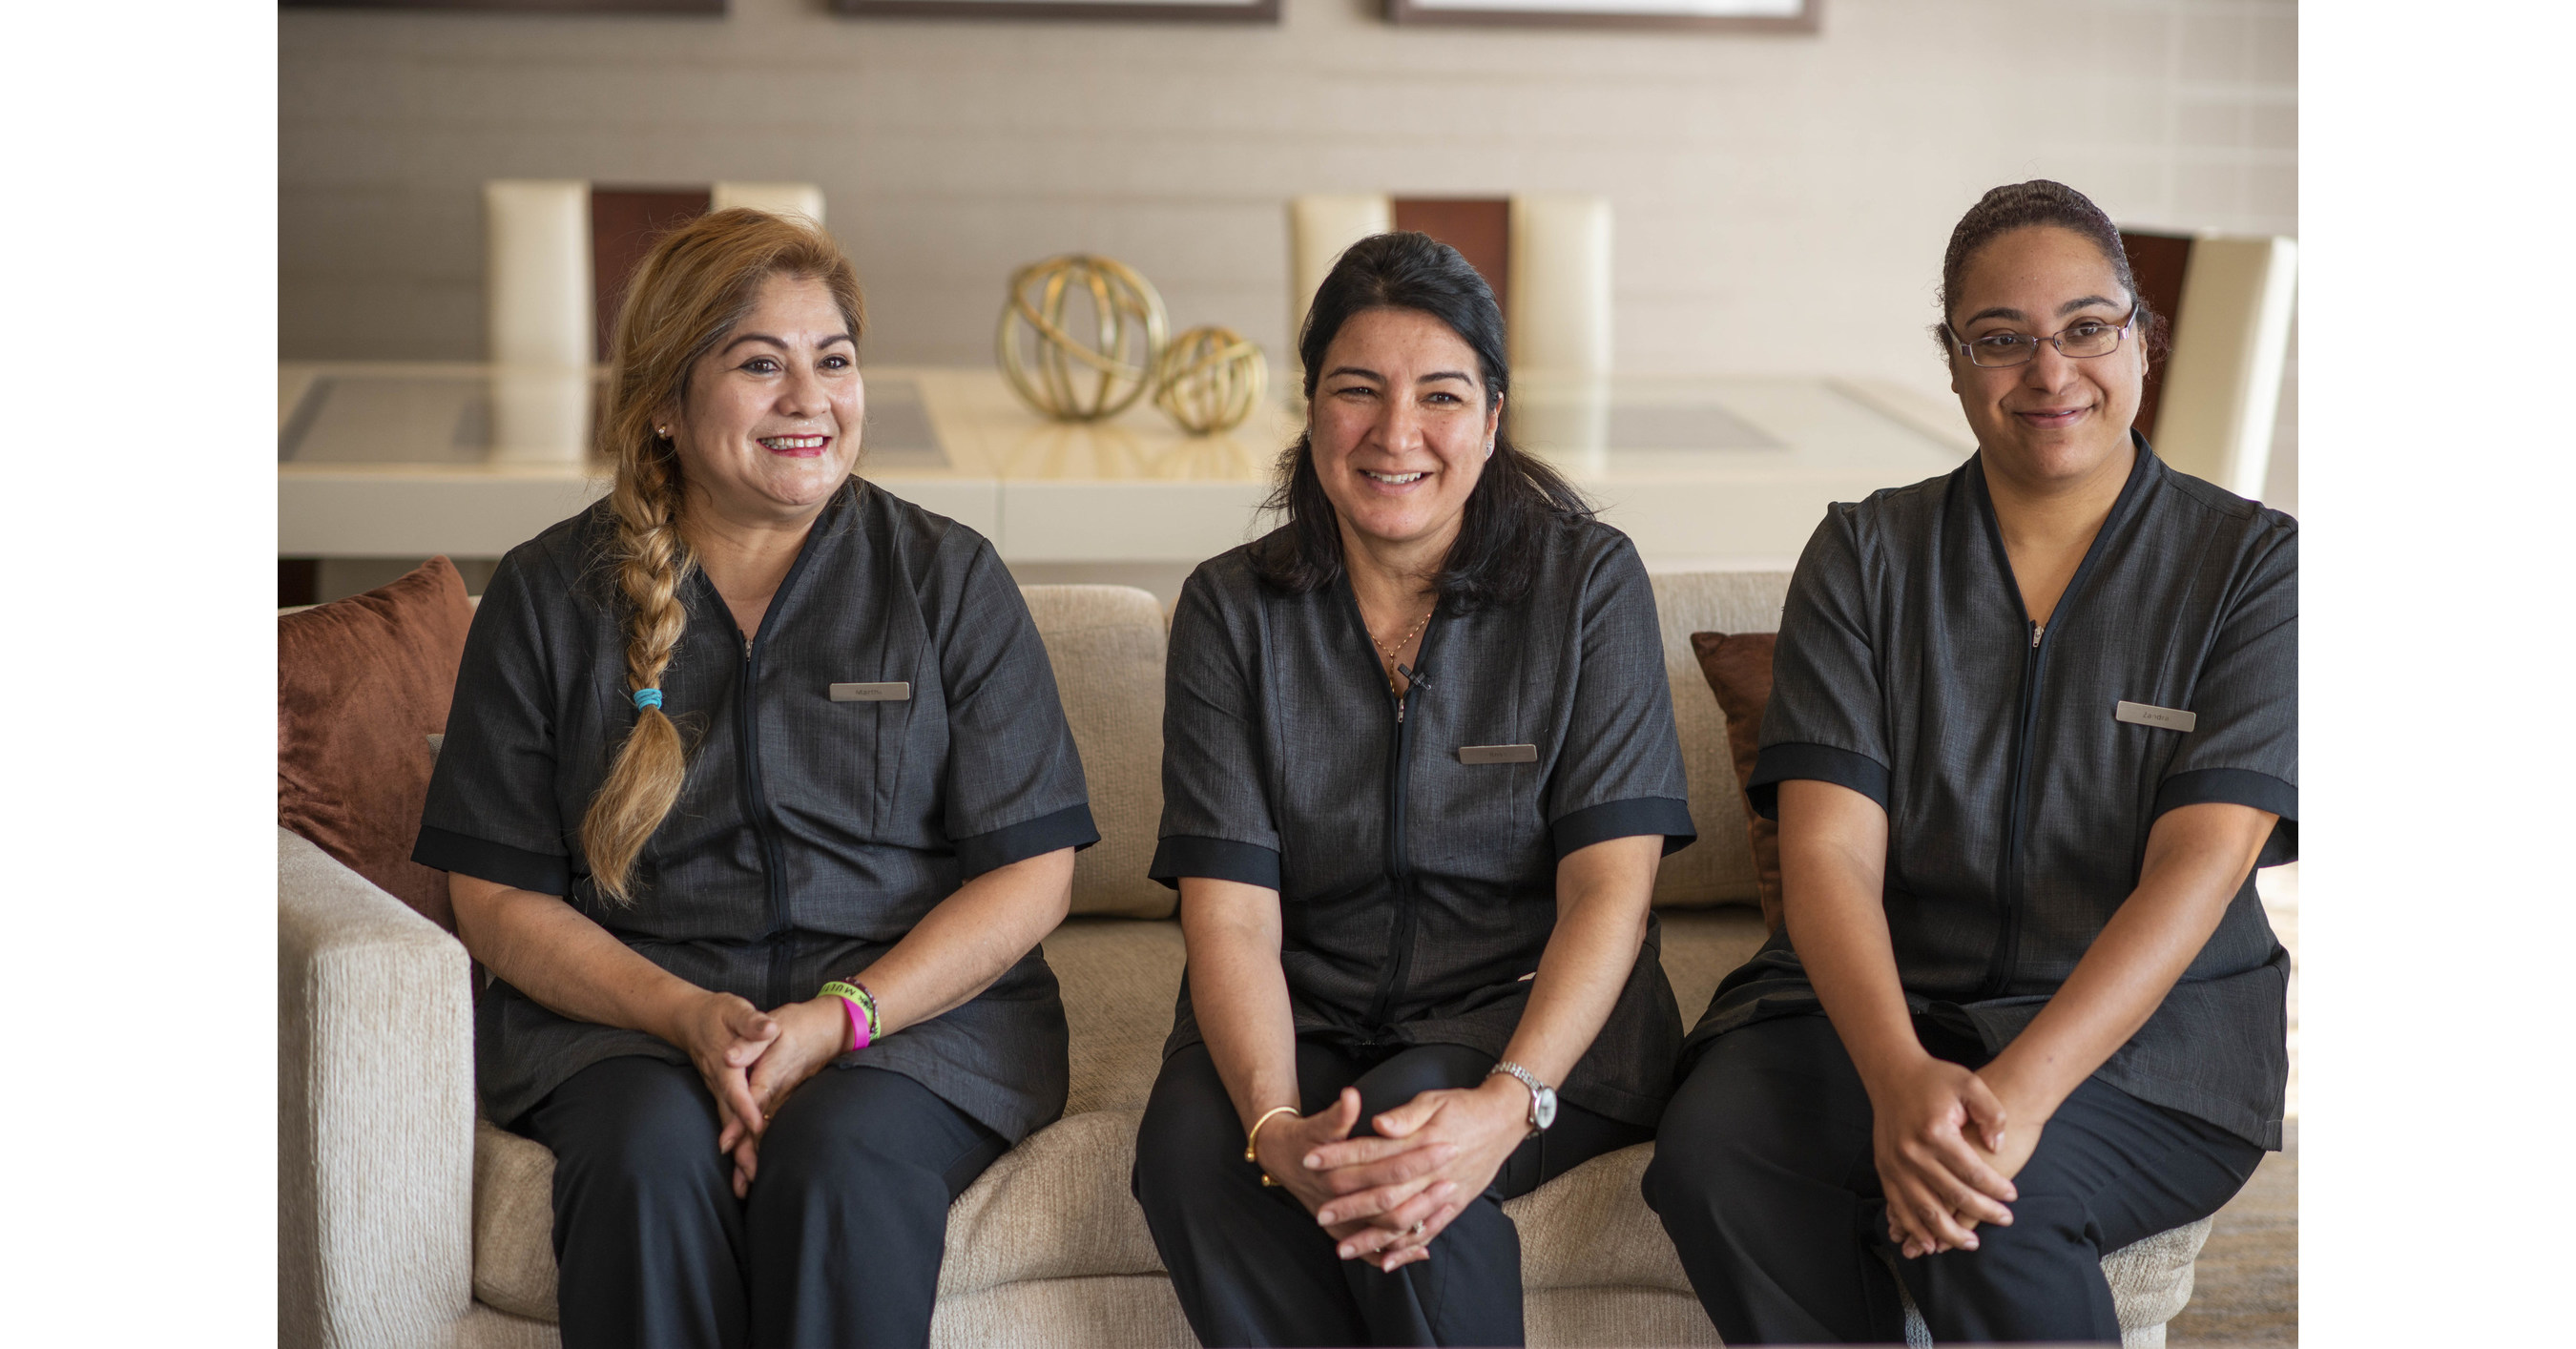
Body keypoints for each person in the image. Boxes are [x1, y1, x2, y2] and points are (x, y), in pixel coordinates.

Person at [413, 208, 1098, 1349]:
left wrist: (841, 1019)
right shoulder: (546, 595)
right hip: (628, 1022)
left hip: (908, 1023)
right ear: (665, 406)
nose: (810, 400)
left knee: (839, 1164)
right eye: (760, 365)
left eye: (834, 361)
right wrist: (686, 1016)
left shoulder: (947, 579)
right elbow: (495, 896)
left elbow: (1033, 872)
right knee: (644, 1162)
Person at [1643, 179, 2296, 1344]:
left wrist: (2018, 1096)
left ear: (2142, 338)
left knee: (1987, 1205)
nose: (2050, 372)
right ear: (1952, 362)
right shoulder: (1867, 554)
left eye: (2086, 328)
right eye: (2001, 339)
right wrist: (1898, 1079)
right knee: (1714, 1157)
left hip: (2150, 1041)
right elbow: (1831, 853)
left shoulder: (2251, 567)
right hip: (1876, 1008)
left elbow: (2200, 868)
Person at [1131, 231, 1698, 1348]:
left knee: (1404, 1155)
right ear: (1310, 411)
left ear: (1492, 418)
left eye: (1441, 394)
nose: (1397, 433)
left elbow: (1609, 893)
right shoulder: (1231, 610)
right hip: (1303, 1005)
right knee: (1192, 1155)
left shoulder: (1588, 584)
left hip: (1520, 1011)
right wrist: (1272, 1121)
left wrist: (1508, 1101)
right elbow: (1232, 913)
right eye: (1358, 390)